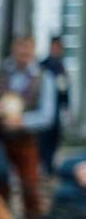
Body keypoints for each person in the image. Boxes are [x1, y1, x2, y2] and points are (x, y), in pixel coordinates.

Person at [0, 36, 57, 219]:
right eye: (20, 49)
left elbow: (47, 116)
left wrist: (22, 122)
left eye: (27, 50)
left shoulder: (43, 77)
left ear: (33, 51)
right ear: (14, 49)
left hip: (26, 140)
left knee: (30, 185)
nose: (23, 54)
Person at [39, 36, 70, 175]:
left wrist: (67, 108)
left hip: (57, 111)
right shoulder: (42, 65)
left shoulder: (61, 67)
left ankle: (49, 169)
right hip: (43, 110)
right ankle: (42, 167)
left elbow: (65, 90)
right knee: (42, 140)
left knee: (54, 139)